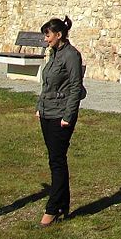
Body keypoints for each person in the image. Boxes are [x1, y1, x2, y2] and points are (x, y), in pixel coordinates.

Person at [35, 15, 85, 225]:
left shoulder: (72, 56)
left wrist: (68, 115)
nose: (46, 39)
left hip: (61, 115)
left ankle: (52, 209)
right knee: (55, 159)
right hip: (47, 112)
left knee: (57, 160)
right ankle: (63, 205)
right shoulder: (53, 54)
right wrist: (40, 107)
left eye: (48, 35)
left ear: (59, 34)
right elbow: (47, 84)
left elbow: (76, 88)